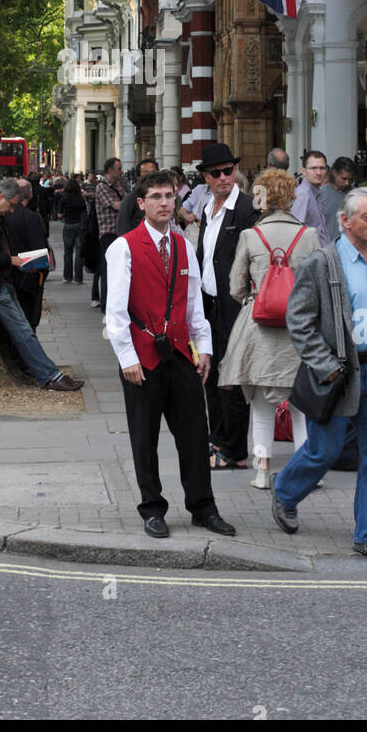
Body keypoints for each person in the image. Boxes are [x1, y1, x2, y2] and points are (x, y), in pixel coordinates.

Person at [271, 188, 367, 565]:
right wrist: (324, 363)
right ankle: (284, 491)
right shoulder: (321, 263)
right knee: (324, 450)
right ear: (345, 221)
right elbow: (298, 320)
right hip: (339, 375)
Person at [104, 170, 235, 539]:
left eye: (169, 196)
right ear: (142, 204)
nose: (164, 203)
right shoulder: (123, 247)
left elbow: (194, 304)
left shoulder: (182, 244)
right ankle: (152, 508)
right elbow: (115, 312)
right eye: (156, 197)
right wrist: (126, 357)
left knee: (195, 434)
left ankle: (203, 507)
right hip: (142, 359)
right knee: (144, 438)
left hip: (180, 353)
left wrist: (204, 347)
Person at [220, 169, 322, 488]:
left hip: (260, 327)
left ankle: (262, 471)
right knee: (300, 406)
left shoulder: (252, 236)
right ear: (291, 197)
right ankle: (306, 473)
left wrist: (256, 296)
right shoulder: (309, 236)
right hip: (300, 327)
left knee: (262, 403)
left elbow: (235, 286)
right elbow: (319, 285)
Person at [0, 178, 83, 391]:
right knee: (23, 330)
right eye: (10, 205)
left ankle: (45, 373)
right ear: (1, 196)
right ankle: (50, 376)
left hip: (4, 280)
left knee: (23, 329)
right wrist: (10, 260)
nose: (11, 211)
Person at [195, 142, 259, 469]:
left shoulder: (246, 209)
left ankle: (234, 450)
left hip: (234, 304)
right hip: (208, 305)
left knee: (232, 377)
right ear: (206, 177)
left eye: (229, 171)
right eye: (216, 173)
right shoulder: (208, 208)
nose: (224, 177)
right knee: (210, 372)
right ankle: (216, 438)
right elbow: (206, 257)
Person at [5, 179, 49, 329]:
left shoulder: (4, 216)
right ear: (30, 195)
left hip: (7, 277)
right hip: (27, 280)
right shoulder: (31, 217)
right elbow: (39, 253)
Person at [91, 156, 126, 309]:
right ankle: (106, 304)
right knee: (107, 271)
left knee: (119, 272)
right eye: (119, 169)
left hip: (120, 233)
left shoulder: (119, 186)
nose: (121, 171)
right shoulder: (102, 187)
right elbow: (118, 206)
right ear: (110, 170)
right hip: (108, 234)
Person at [290, 150, 331, 244]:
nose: (319, 172)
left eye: (322, 168)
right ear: (303, 171)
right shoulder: (303, 195)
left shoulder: (314, 193)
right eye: (313, 168)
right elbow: (295, 232)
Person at [116, 159, 158, 234]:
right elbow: (122, 226)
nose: (151, 176)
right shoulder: (131, 198)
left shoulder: (161, 196)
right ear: (138, 177)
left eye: (154, 172)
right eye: (146, 173)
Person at [59, 177, 87, 284]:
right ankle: (78, 278)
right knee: (79, 253)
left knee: (68, 252)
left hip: (68, 225)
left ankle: (67, 277)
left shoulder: (63, 199)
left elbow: (59, 215)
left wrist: (65, 214)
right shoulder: (81, 199)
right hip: (79, 226)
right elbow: (85, 212)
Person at [319, 157, 356, 234]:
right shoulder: (320, 193)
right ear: (334, 173)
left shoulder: (355, 195)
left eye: (350, 180)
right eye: (344, 179)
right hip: (326, 243)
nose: (347, 183)